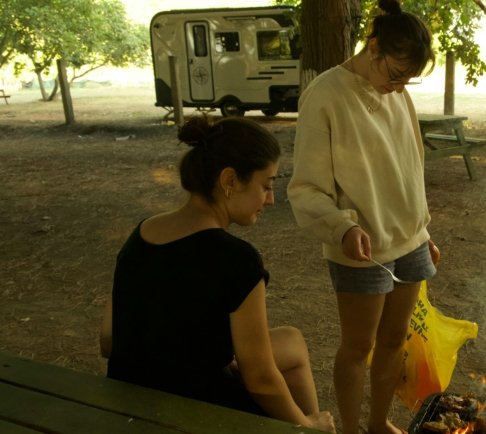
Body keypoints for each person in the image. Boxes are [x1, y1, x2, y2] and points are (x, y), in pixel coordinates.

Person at [99, 116, 335, 433]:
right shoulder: (237, 259)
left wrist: (200, 354)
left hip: (130, 396)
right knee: (292, 403)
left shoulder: (142, 234)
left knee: (290, 341)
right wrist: (306, 424)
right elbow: (261, 379)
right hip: (195, 411)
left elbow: (108, 341)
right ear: (230, 180)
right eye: (266, 185)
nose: (271, 198)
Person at [286, 1, 439, 433]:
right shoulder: (325, 94)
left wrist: (421, 230)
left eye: (408, 79)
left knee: (394, 341)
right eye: (394, 74)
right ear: (373, 46)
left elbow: (410, 168)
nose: (398, 86)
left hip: (408, 242)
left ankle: (377, 423)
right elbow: (306, 187)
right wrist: (342, 226)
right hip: (361, 246)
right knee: (358, 347)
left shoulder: (399, 95)